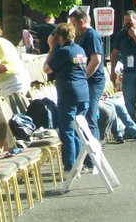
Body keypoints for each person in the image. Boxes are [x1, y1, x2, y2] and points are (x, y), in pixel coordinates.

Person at [42, 23, 89, 179]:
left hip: (69, 93)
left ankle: (70, 166)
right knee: (78, 130)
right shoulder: (79, 50)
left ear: (58, 37)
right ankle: (79, 165)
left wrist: (51, 48)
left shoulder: (63, 51)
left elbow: (46, 69)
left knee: (67, 129)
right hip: (83, 92)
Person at [110, 10, 136, 134]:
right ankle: (132, 129)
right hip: (128, 73)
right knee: (129, 102)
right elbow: (114, 53)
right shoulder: (121, 34)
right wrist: (113, 71)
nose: (127, 23)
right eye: (125, 20)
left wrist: (134, 35)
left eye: (129, 20)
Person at [68, 9, 105, 145]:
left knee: (89, 117)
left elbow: (96, 60)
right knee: (85, 116)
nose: (72, 28)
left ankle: (93, 155)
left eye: (73, 24)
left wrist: (82, 78)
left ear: (81, 22)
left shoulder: (92, 35)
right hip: (87, 81)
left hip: (93, 81)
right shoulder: (82, 35)